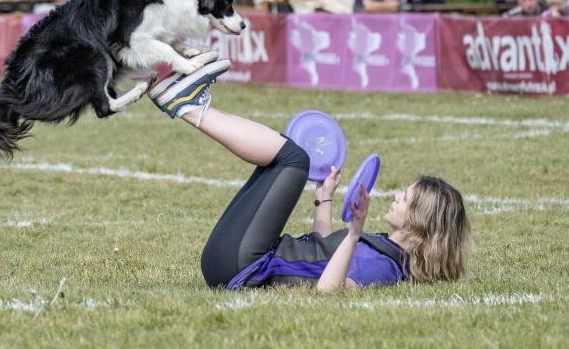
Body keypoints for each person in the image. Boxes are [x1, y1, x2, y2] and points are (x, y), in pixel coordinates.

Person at [147, 55, 471, 291]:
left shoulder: (384, 266)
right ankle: (188, 102)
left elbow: (330, 290)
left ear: (420, 221)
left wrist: (355, 232)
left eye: (407, 198)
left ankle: (189, 105)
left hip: (243, 265)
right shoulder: (388, 249)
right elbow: (322, 249)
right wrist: (324, 198)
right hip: (236, 260)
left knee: (293, 159)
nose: (397, 196)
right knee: (278, 159)